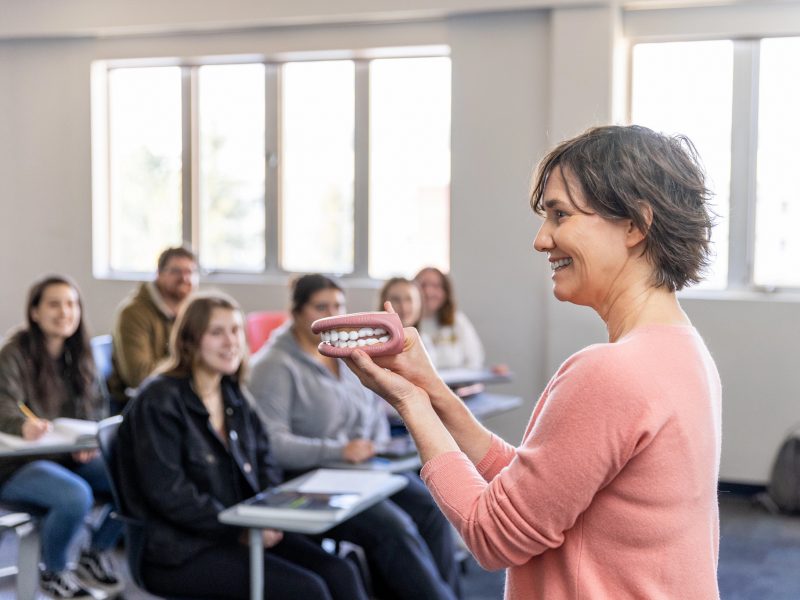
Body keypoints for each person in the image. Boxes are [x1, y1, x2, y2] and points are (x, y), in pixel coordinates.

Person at [345, 125, 723, 599]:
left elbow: (493, 533)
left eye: (559, 215)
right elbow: (536, 487)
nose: (541, 240)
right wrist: (431, 390)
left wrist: (409, 404)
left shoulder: (611, 373)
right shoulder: (683, 350)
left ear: (635, 225)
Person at [114, 292, 368, 600]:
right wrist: (239, 530)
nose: (231, 342)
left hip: (242, 528)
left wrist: (269, 518)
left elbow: (266, 460)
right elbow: (169, 492)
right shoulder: (159, 399)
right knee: (307, 591)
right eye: (216, 332)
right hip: (179, 548)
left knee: (341, 572)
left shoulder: (231, 393)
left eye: (235, 331)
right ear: (190, 340)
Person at [248, 274, 460, 600]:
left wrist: (374, 446)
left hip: (364, 470)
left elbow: (372, 409)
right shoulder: (273, 365)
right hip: (315, 479)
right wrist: (339, 451)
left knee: (434, 507)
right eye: (321, 307)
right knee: (394, 528)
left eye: (338, 306)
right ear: (297, 311)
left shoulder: (341, 352)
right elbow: (272, 444)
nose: (331, 314)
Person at [0, 276, 122, 600]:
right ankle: (53, 572)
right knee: (75, 496)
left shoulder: (80, 353)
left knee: (133, 477)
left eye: (71, 304)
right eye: (54, 304)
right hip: (17, 463)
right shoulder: (13, 352)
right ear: (35, 312)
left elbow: (97, 409)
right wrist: (20, 424)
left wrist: (88, 442)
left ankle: (94, 553)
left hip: (66, 455)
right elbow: (3, 404)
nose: (64, 312)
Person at [107, 246, 198, 411]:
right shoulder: (132, 313)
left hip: (176, 396)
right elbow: (139, 376)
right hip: (138, 404)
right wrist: (189, 367)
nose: (185, 278)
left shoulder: (191, 310)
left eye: (190, 272)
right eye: (176, 271)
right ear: (159, 274)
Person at [414, 267, 485, 370]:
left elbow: (475, 359)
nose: (428, 292)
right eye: (423, 285)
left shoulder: (458, 320)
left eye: (436, 286)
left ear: (446, 292)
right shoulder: (406, 323)